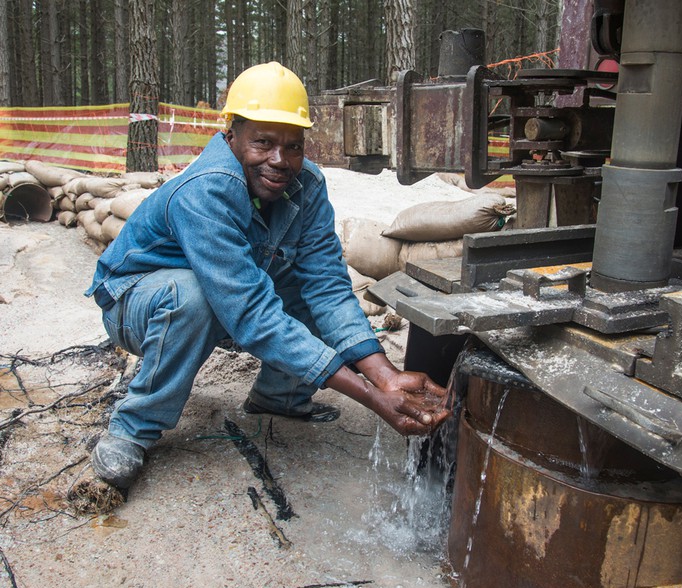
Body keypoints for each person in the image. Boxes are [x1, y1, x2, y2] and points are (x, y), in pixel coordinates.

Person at [85, 61, 450, 490]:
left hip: (224, 300)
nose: (280, 160)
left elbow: (329, 287)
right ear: (231, 135)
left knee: (304, 284)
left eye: (293, 146)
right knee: (194, 296)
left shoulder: (307, 186)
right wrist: (371, 396)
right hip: (136, 305)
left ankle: (279, 397)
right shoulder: (207, 189)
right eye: (262, 142)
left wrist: (385, 375)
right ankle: (133, 429)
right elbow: (250, 313)